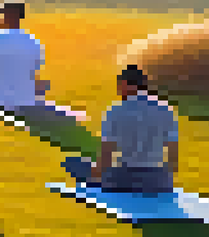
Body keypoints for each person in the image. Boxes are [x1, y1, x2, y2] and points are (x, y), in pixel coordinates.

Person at [62, 65, 178, 194]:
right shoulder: (166, 109)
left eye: (119, 87)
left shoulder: (115, 111)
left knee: (73, 162)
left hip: (124, 180)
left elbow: (107, 154)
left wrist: (94, 180)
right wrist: (166, 181)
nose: (118, 92)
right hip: (158, 180)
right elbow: (173, 151)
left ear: (124, 85)